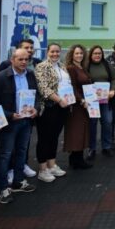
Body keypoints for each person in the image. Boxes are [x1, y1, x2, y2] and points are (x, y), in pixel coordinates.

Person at [0, 48, 39, 204]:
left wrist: (36, 108)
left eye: (26, 60)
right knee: (6, 154)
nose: (24, 62)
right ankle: (2, 188)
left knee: (22, 151)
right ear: (12, 60)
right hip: (10, 122)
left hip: (26, 120)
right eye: (20, 59)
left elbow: (37, 95)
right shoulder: (1, 77)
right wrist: (9, 114)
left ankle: (18, 181)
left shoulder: (30, 75)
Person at [34, 43, 70, 182]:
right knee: (44, 138)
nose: (55, 54)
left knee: (54, 136)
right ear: (47, 52)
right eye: (52, 52)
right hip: (48, 106)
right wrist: (59, 99)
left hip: (61, 107)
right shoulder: (41, 67)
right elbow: (43, 88)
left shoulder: (61, 66)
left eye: (57, 52)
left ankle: (52, 164)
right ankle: (43, 169)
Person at [85, 45, 115, 157]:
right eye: (95, 53)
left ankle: (106, 147)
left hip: (105, 99)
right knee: (92, 124)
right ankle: (92, 148)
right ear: (91, 55)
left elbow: (113, 79)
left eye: (99, 53)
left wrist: (112, 90)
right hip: (92, 100)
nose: (97, 55)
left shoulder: (107, 65)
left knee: (107, 122)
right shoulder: (86, 66)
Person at [64, 44, 92, 170]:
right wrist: (81, 100)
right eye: (77, 53)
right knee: (77, 131)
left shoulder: (82, 67)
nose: (79, 55)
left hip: (85, 104)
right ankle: (76, 159)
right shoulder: (71, 68)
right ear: (72, 55)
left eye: (81, 53)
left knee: (82, 131)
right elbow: (72, 87)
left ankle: (76, 158)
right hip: (77, 105)